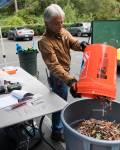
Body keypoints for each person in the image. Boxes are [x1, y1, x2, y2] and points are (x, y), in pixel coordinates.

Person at [38, 4, 88, 142]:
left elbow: (73, 42)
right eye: (56, 23)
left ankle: (58, 128)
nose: (60, 25)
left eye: (61, 22)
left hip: (65, 73)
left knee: (61, 102)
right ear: (46, 23)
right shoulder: (44, 42)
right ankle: (57, 131)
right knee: (58, 104)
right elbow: (54, 66)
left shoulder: (63, 32)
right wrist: (71, 81)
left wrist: (81, 45)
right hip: (58, 76)